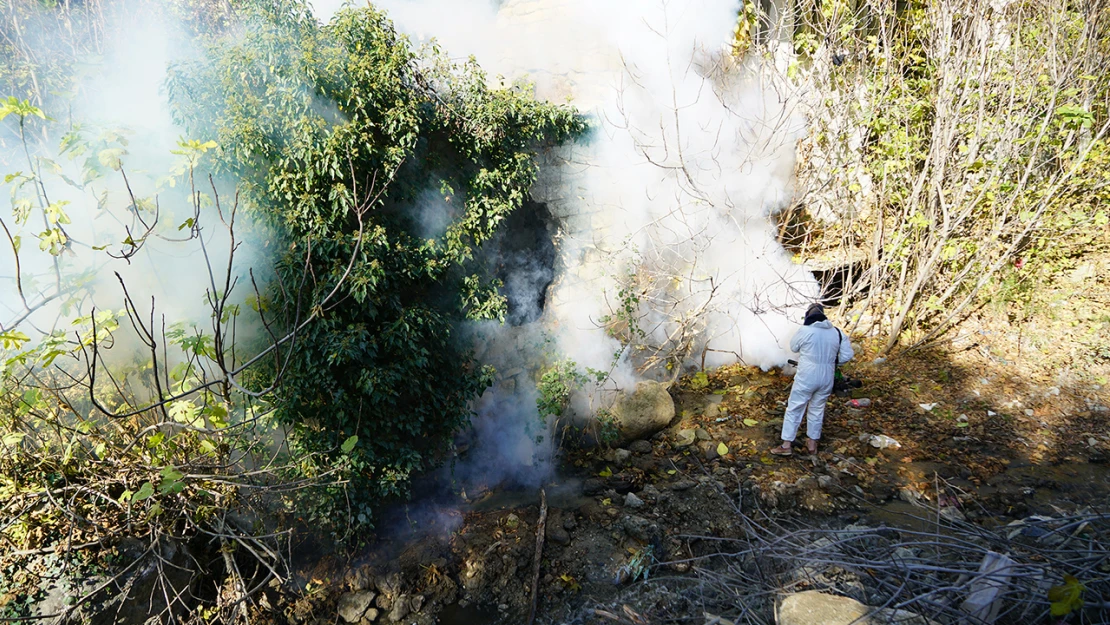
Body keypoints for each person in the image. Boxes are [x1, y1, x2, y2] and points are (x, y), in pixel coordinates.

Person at [770, 304, 854, 456]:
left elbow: (794, 347)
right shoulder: (837, 332)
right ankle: (812, 445)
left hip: (807, 376)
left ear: (808, 316)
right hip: (827, 376)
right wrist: (832, 362)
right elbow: (847, 355)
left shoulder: (805, 331)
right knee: (817, 409)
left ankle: (786, 445)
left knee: (795, 408)